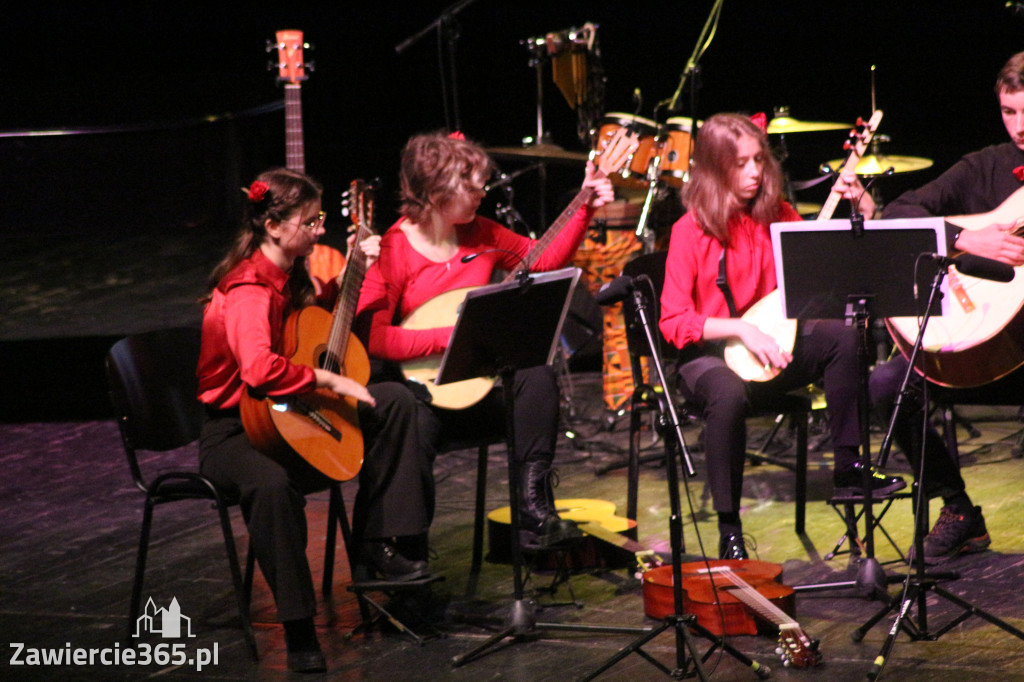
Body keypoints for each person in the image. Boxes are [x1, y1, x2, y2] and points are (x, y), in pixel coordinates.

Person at [196, 168, 432, 674]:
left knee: (395, 399)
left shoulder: (292, 272)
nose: (320, 229)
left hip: (291, 414)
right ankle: (299, 627)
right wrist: (332, 383)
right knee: (271, 484)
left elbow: (315, 326)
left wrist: (357, 274)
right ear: (274, 226)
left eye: (321, 217)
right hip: (239, 431)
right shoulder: (246, 287)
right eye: (311, 220)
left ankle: (382, 544)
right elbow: (258, 370)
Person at [658, 113, 907, 561]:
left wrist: (861, 211)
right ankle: (730, 528)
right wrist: (740, 328)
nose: (755, 172)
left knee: (843, 337)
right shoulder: (688, 231)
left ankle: (848, 467)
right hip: (709, 357)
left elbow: (821, 271)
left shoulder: (776, 216)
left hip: (774, 348)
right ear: (715, 168)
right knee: (728, 393)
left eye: (759, 160)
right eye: (741, 163)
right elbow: (674, 321)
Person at [354, 130, 615, 550]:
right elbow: (376, 339)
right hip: (422, 396)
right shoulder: (393, 250)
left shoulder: (482, 233)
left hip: (474, 388)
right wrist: (453, 337)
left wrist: (583, 205)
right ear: (438, 191)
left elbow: (542, 258)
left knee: (534, 370)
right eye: (471, 184)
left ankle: (533, 508)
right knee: (410, 423)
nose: (482, 192)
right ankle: (405, 549)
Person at [869, 50, 1024, 563]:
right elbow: (897, 214)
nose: (1019, 126)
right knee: (887, 383)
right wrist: (966, 238)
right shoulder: (985, 166)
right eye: (1009, 112)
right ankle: (958, 509)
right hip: (977, 342)